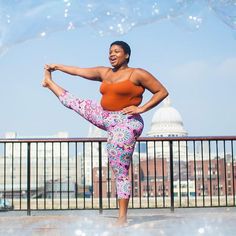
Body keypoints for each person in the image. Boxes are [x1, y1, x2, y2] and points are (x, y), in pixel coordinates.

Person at [42, 40, 168, 226]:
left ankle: (122, 218)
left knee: (119, 169)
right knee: (75, 103)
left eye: (117, 51)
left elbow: (161, 91)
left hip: (127, 122)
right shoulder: (105, 72)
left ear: (126, 55)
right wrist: (57, 67)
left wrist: (141, 109)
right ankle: (49, 82)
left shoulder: (137, 73)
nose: (112, 54)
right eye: (110, 51)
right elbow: (79, 71)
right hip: (105, 116)